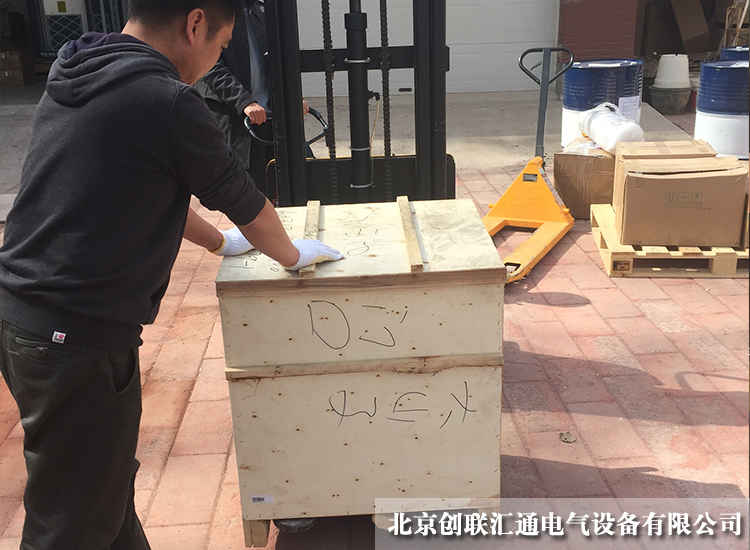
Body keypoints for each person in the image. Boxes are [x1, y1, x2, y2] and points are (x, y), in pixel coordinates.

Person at [0, 1, 342, 548]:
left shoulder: (79, 65)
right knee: (70, 521)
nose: (213, 62)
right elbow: (243, 199)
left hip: (27, 318)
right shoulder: (167, 100)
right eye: (220, 47)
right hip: (73, 337)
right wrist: (290, 255)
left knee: (102, 492)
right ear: (195, 23)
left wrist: (218, 243)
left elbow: (143, 180)